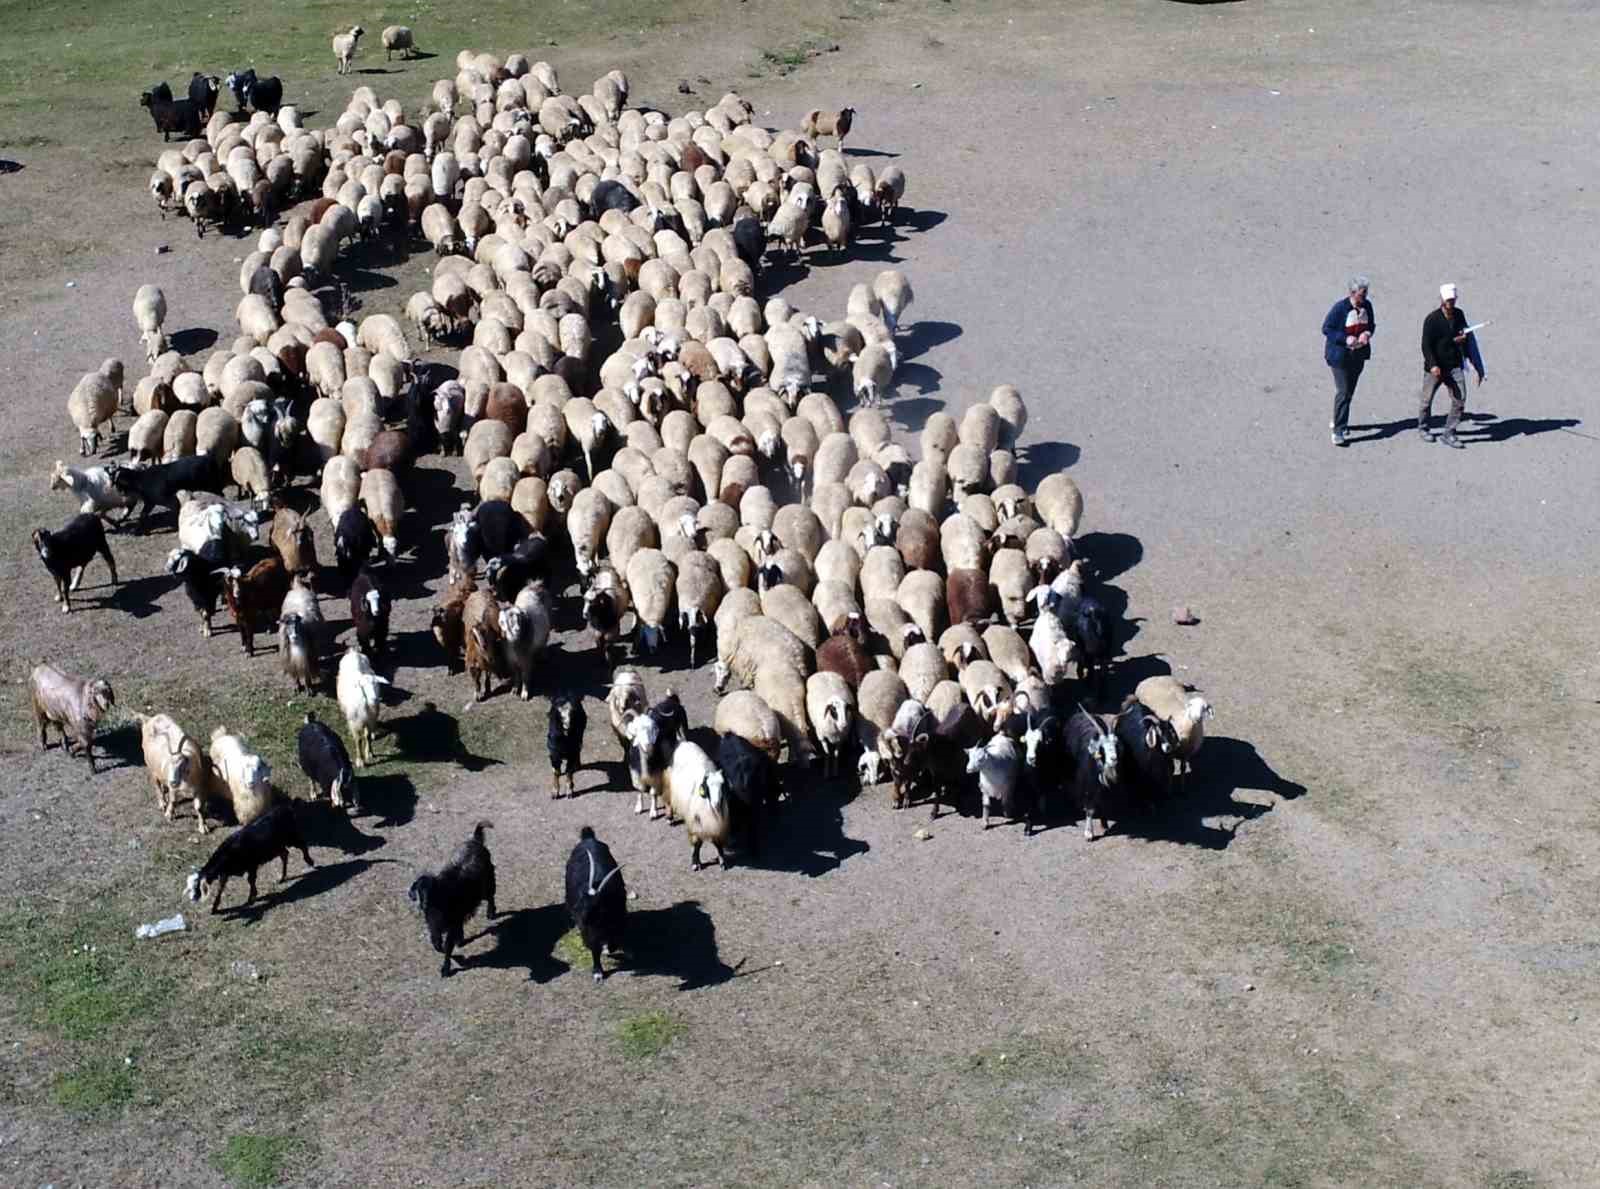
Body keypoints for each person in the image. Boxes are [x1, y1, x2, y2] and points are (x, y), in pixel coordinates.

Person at [1419, 283, 1486, 448]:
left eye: (1453, 300)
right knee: (1426, 401)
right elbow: (1426, 345)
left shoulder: (1459, 314)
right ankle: (1423, 427)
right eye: (1448, 300)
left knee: (1460, 399)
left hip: (1454, 365)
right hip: (1436, 368)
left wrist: (1463, 340)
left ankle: (1449, 432)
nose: (1451, 303)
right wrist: (1433, 365)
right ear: (1442, 299)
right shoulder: (1432, 319)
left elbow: (1464, 335)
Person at [1320, 276, 1374, 447]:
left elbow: (1371, 324)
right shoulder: (1340, 308)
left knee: (1349, 391)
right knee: (1343, 391)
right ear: (1352, 293)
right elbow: (1327, 328)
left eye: (1365, 294)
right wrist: (1345, 339)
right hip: (1340, 357)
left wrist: (1368, 334)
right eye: (1361, 295)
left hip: (1358, 356)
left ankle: (1338, 417)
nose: (1364, 298)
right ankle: (1338, 430)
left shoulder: (1367, 306)